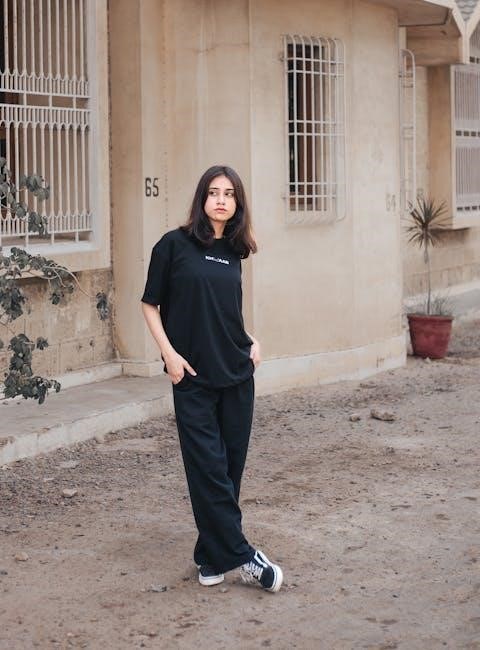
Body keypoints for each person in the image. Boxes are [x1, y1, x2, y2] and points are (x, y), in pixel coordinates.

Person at [140, 165, 283, 593]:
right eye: (214, 192)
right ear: (202, 198)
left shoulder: (235, 251)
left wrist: (251, 339)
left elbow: (224, 311)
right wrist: (169, 356)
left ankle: (210, 555)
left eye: (230, 194)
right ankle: (246, 556)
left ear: (237, 204)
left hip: (237, 373)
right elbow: (150, 304)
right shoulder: (173, 245)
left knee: (229, 470)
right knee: (207, 468)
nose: (221, 200)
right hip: (193, 377)